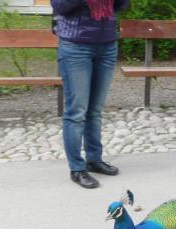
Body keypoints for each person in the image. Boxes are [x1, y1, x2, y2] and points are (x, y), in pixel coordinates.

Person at [51, 0, 130, 189]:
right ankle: (77, 169)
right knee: (76, 112)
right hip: (75, 45)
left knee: (95, 110)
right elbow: (59, 6)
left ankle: (94, 160)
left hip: (107, 44)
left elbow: (120, 6)